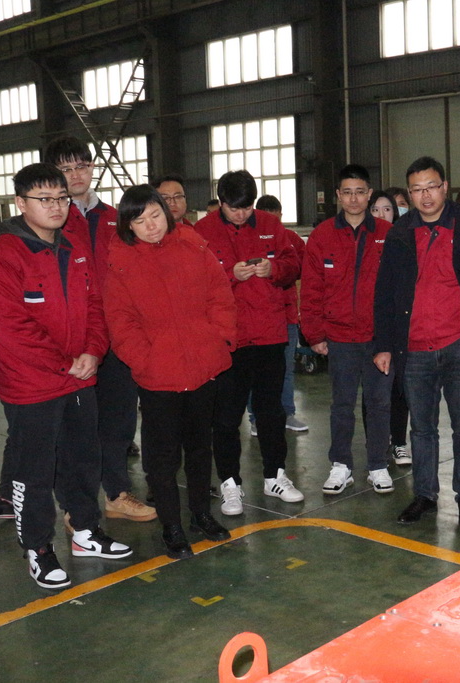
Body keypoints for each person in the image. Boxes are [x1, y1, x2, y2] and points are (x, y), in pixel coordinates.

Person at [0, 163, 131, 589]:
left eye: (61, 198)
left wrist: (93, 351)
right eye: (44, 199)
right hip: (32, 386)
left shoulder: (74, 248)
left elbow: (96, 305)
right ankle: (37, 548)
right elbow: (11, 328)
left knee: (83, 460)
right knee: (35, 471)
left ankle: (85, 532)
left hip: (80, 377)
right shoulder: (2, 257)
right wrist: (66, 363)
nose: (56, 206)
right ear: (20, 203)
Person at [105, 185, 236, 559]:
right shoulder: (120, 262)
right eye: (140, 221)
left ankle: (200, 514)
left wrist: (218, 339)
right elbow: (121, 322)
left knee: (200, 449)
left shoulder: (193, 245)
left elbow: (220, 295)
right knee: (162, 458)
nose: (151, 226)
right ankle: (171, 525)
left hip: (202, 366)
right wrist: (146, 360)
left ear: (167, 212)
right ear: (128, 226)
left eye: (155, 215)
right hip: (158, 376)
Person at [373, 156, 460, 527]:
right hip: (414, 348)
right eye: (417, 189)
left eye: (432, 186)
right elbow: (384, 291)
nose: (426, 195)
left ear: (445, 187)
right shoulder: (400, 233)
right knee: (422, 428)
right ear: (409, 193)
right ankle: (425, 495)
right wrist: (384, 344)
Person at [43, 137, 154, 526]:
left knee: (120, 421)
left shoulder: (114, 217)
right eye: (66, 168)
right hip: (74, 340)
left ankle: (117, 493)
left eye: (82, 166)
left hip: (117, 336)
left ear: (92, 168)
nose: (76, 175)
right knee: (74, 425)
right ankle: (75, 504)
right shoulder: (51, 221)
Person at [195, 170, 304, 515]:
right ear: (221, 202)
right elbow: (195, 282)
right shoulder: (203, 231)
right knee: (227, 417)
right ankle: (230, 483)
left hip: (269, 334)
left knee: (271, 412)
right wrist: (230, 275)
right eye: (234, 208)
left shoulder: (271, 224)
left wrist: (274, 269)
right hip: (229, 339)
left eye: (247, 207)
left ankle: (275, 475)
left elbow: (293, 263)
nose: (241, 214)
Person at [301, 165, 394, 495]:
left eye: (360, 192)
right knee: (341, 405)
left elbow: (398, 289)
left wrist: (392, 337)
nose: (354, 199)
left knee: (379, 404)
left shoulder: (387, 233)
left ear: (369, 195)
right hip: (339, 338)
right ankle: (341, 465)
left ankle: (378, 465)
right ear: (338, 196)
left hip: (378, 338)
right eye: (347, 192)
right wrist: (315, 334)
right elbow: (311, 289)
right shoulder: (322, 235)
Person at [254, 194, 308, 433]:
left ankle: (287, 413)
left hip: (287, 317)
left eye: (276, 220)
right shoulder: (251, 239)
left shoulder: (292, 240)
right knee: (257, 372)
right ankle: (255, 418)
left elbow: (306, 269)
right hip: (258, 318)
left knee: (286, 369)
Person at [369, 190, 410, 465]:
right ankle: (377, 442)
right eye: (376, 209)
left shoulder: (402, 239)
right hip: (373, 326)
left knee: (399, 388)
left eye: (387, 209)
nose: (382, 214)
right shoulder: (366, 240)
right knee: (374, 393)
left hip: (401, 326)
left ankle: (399, 442)